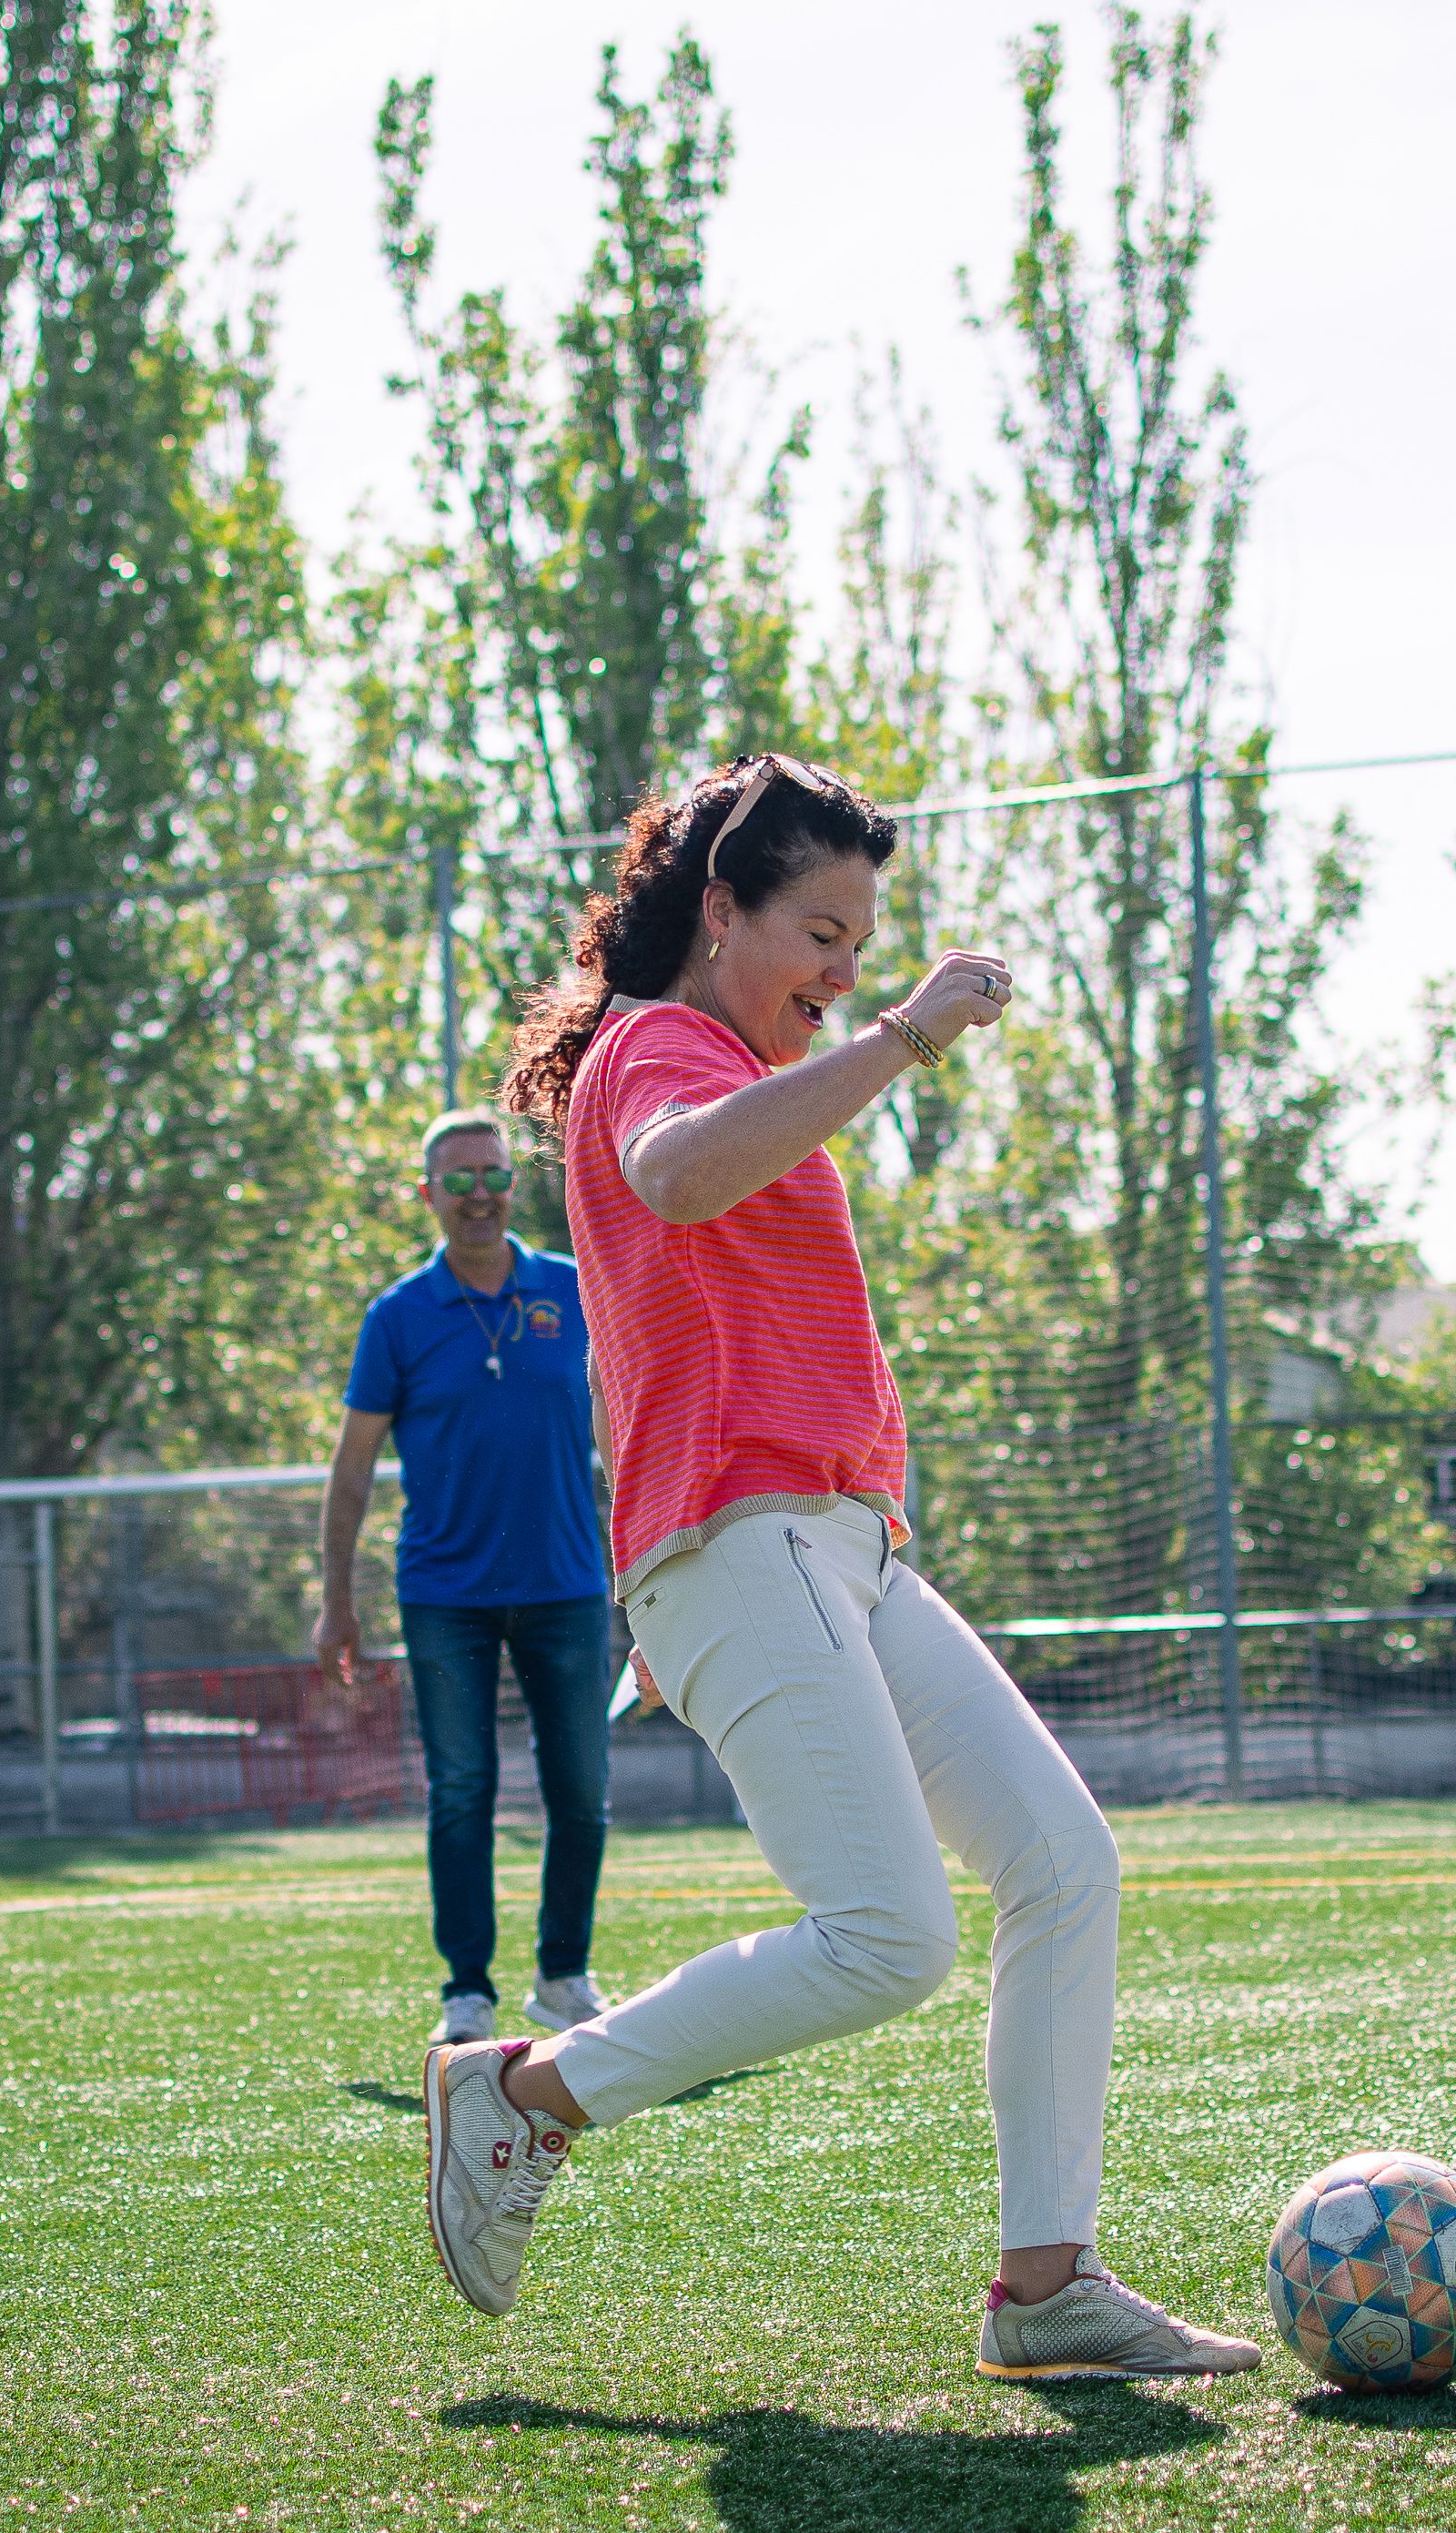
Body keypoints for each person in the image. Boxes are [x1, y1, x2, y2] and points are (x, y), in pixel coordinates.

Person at [418, 751, 1259, 2385]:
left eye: (861, 952)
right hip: (742, 1545)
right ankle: (520, 2097)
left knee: (1066, 1866)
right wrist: (906, 1036)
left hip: (831, 1554)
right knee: (888, 1937)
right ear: (718, 911)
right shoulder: (657, 1051)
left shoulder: (743, 1065)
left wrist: (855, 1534)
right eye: (818, 933)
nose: (841, 977)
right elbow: (677, 1174)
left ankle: (1046, 2288)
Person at [317, 1109, 613, 2047]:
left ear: (512, 1187)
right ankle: (467, 1991)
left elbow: (630, 1432)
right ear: (429, 1195)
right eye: (459, 1180)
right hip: (445, 1597)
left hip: (568, 1585)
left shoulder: (577, 1292)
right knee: (461, 1790)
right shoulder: (397, 1318)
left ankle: (564, 1978)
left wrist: (648, 1568)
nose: (478, 1194)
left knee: (579, 1788)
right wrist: (336, 1603)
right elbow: (353, 1468)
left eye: (492, 1175)